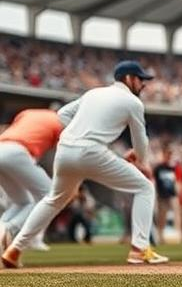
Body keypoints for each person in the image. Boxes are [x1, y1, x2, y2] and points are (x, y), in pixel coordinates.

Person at [1, 60, 168, 268]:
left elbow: (62, 114)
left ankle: (15, 249)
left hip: (65, 150)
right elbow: (140, 141)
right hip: (91, 151)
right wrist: (141, 161)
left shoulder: (93, 94)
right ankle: (140, 250)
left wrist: (80, 130)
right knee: (144, 187)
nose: (143, 84)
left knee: (53, 200)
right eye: (141, 79)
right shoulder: (133, 103)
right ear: (128, 79)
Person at [0, 106, 76, 252]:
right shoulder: (62, 123)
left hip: (2, 147)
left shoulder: (28, 112)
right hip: (18, 152)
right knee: (49, 195)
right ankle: (9, 230)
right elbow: (62, 156)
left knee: (22, 202)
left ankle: (2, 230)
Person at [153, 145, 176, 244]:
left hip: (170, 195)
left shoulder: (171, 168)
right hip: (161, 195)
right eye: (167, 154)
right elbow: (154, 181)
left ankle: (163, 235)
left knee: (167, 216)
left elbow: (174, 182)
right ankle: (159, 236)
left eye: (170, 155)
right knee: (161, 216)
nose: (169, 156)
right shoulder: (158, 168)